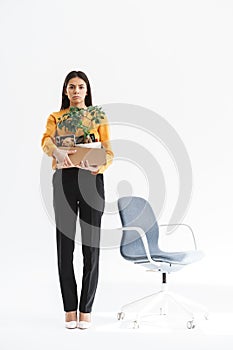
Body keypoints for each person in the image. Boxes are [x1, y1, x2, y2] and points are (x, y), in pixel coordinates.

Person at [41, 70, 114, 329]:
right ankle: (69, 309)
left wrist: (100, 167)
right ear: (65, 91)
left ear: (86, 90)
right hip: (64, 180)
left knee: (91, 248)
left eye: (80, 86)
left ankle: (86, 310)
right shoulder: (56, 117)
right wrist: (57, 151)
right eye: (71, 87)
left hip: (91, 180)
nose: (75, 91)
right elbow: (46, 141)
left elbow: (109, 151)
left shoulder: (98, 116)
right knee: (65, 247)